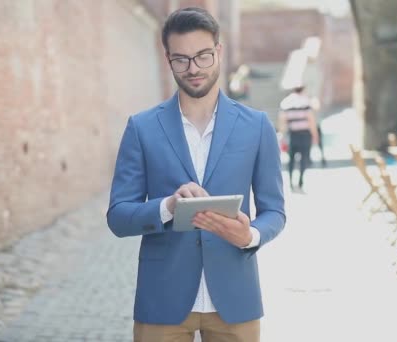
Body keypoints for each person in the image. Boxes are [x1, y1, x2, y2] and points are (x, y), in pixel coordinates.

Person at [107, 7, 285, 342]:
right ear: (168, 59)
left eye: (203, 56)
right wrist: (168, 207)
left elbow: (274, 210)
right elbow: (118, 217)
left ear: (219, 51)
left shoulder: (257, 126)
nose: (193, 69)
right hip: (162, 299)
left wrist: (250, 236)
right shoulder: (142, 128)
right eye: (181, 59)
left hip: (236, 298)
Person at [278, 86, 319, 190]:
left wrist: (282, 136)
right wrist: (315, 135)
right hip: (305, 134)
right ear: (302, 90)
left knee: (291, 159)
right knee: (303, 158)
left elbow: (282, 121)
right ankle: (300, 181)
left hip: (292, 134)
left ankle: (291, 182)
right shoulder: (306, 102)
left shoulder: (286, 102)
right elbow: (311, 121)